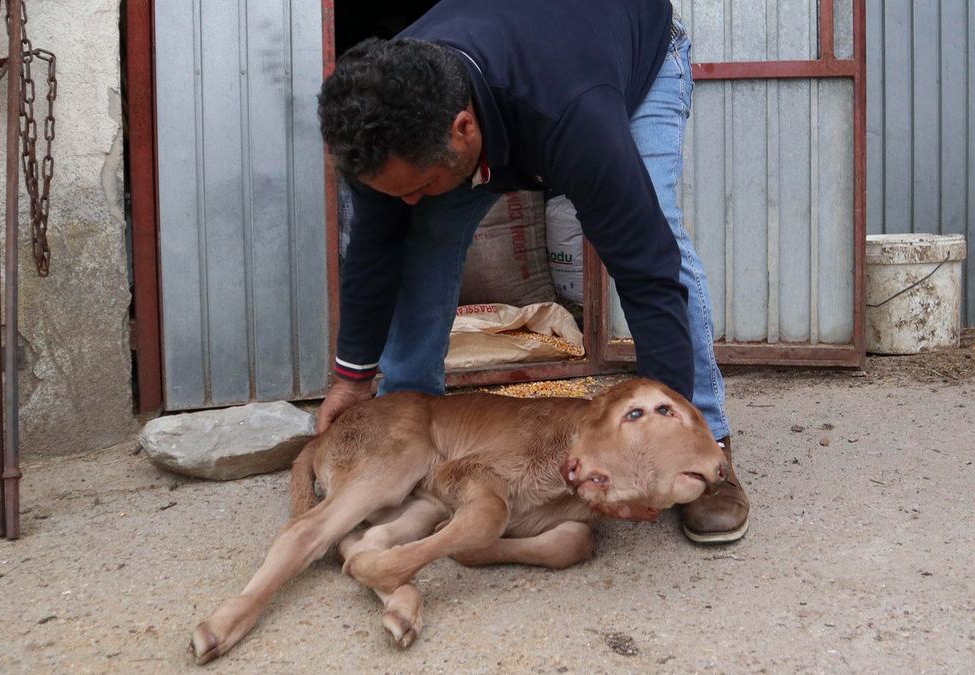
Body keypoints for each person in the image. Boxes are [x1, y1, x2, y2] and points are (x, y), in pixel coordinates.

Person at [315, 0, 749, 544]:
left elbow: (648, 273)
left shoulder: (574, 115)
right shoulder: (379, 131)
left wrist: (659, 449)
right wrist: (352, 380)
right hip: (523, 63)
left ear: (463, 129)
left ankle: (711, 446)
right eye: (395, 190)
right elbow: (375, 254)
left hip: (628, 55)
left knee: (656, 228)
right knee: (421, 237)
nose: (409, 199)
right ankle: (414, 432)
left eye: (419, 184)